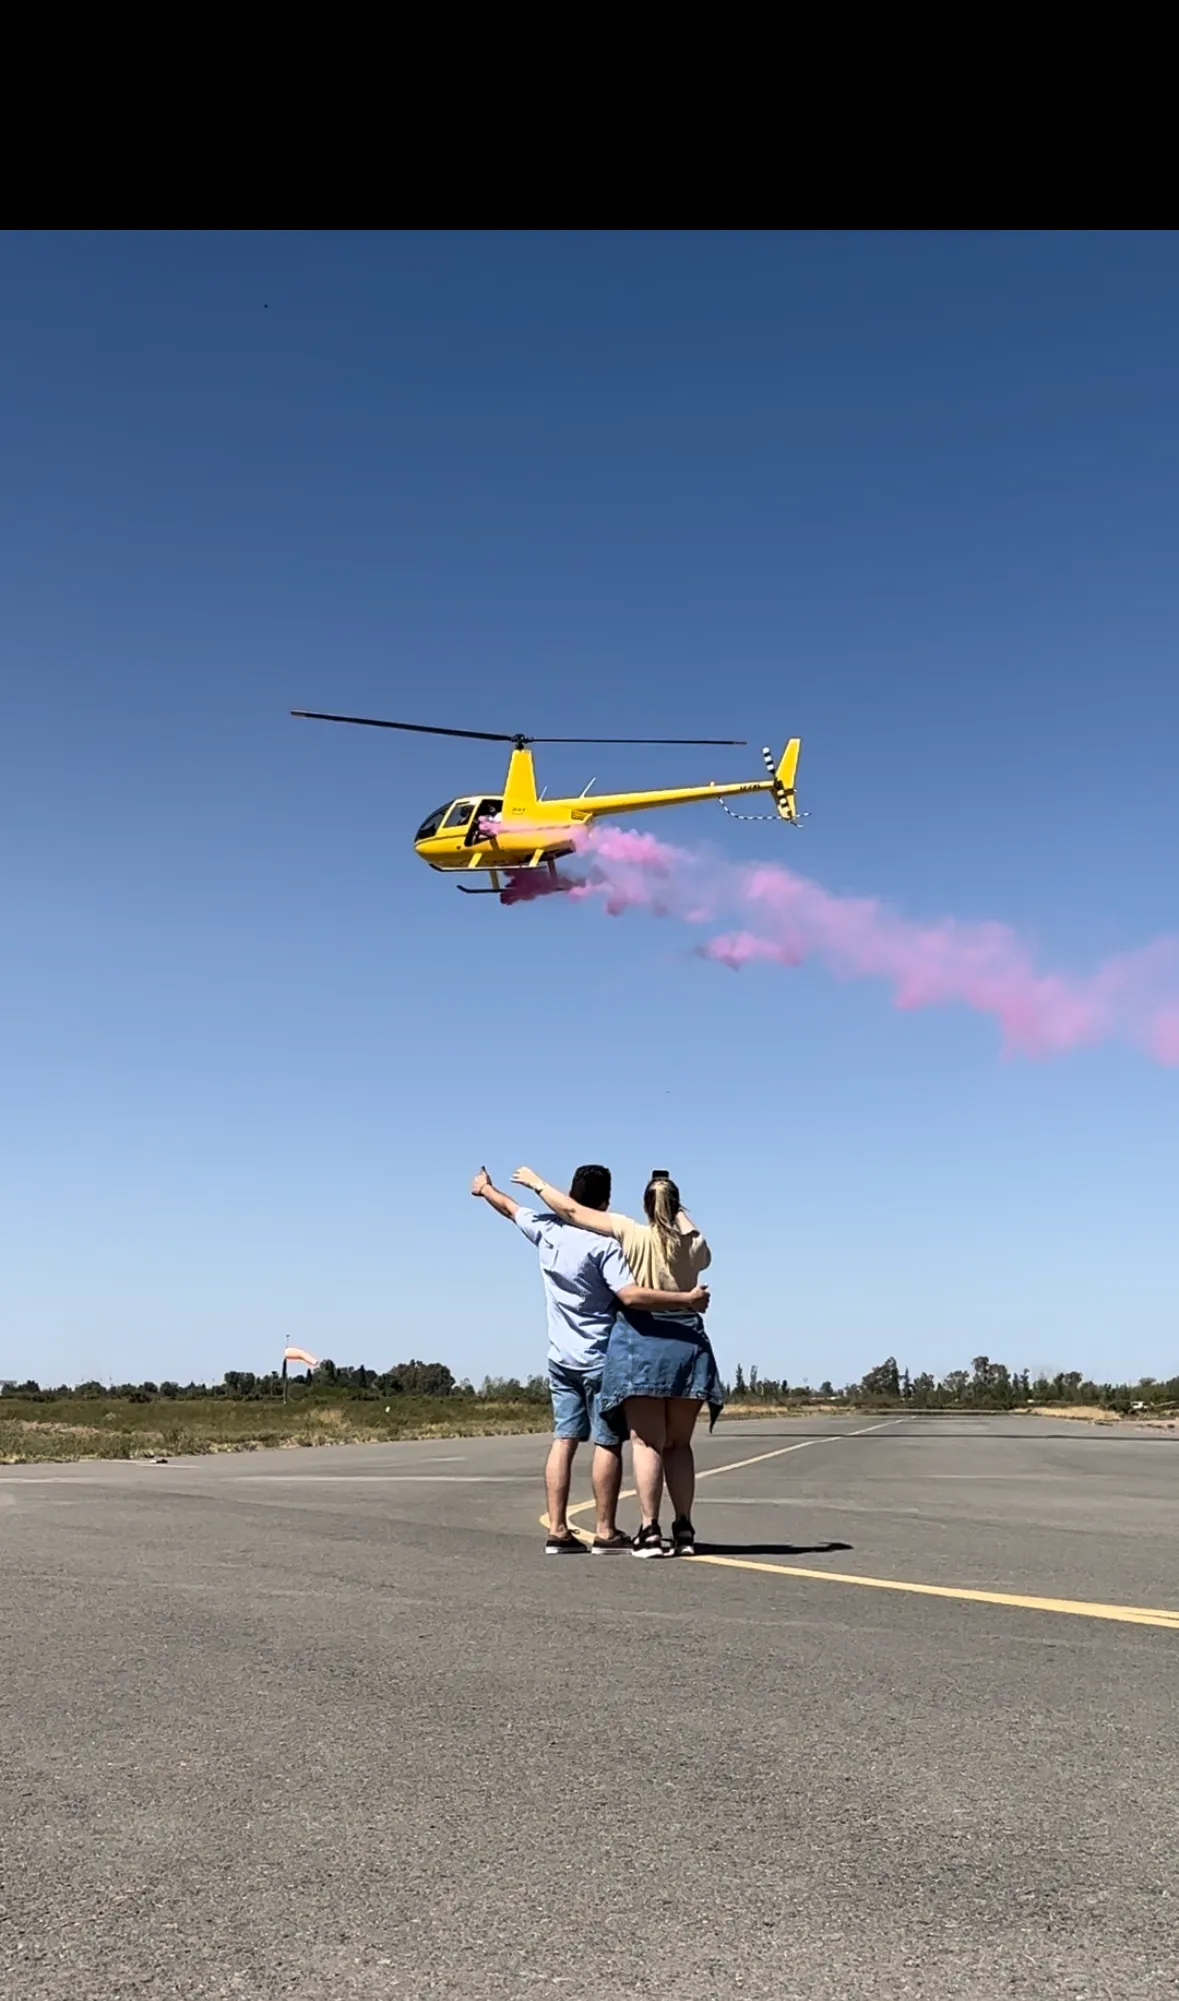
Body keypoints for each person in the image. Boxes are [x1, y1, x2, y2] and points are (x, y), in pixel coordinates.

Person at [470, 1164, 710, 1555]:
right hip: (604, 1355)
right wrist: (686, 1299)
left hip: (560, 1356)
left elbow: (512, 1208)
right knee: (615, 1442)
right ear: (606, 1200)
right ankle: (607, 1529)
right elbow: (631, 1294)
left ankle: (560, 1529)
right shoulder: (612, 1245)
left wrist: (486, 1190)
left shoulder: (549, 1230)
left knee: (565, 1439)